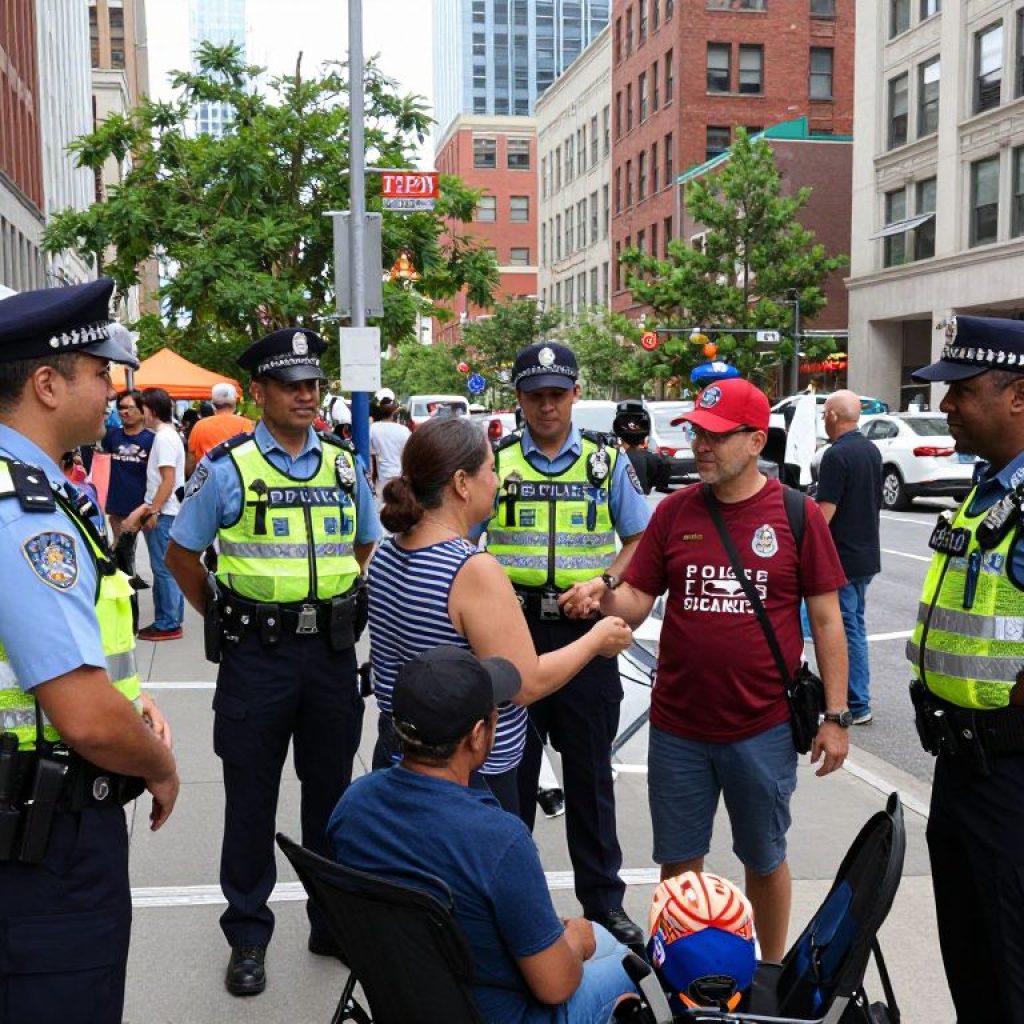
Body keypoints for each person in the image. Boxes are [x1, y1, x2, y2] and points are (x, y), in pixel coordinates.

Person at [562, 377, 850, 961]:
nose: (701, 445)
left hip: (762, 727)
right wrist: (602, 595)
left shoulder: (796, 515)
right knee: (679, 862)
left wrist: (837, 716)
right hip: (678, 728)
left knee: (763, 858)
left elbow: (826, 621)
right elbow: (638, 598)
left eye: (717, 435)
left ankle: (768, 971)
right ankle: (682, 973)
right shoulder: (675, 512)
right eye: (698, 431)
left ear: (755, 441)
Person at [164, 326, 381, 998]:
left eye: (313, 384)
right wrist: (234, 617)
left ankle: (329, 922)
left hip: (329, 657)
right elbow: (180, 555)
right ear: (259, 392)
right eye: (292, 385)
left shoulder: (344, 464)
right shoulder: (227, 467)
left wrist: (329, 604)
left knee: (332, 800)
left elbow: (364, 544)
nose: (306, 395)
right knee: (251, 802)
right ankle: (249, 936)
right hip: (257, 657)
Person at [0, 278, 178, 1021]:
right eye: (100, 373)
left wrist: (131, 698)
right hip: (45, 846)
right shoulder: (23, 510)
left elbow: (84, 665)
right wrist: (160, 765)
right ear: (47, 384)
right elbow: (84, 717)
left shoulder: (44, 488)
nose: (113, 392)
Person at [328, 646, 639, 1024]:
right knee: (624, 962)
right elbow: (555, 985)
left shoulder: (354, 805)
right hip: (500, 1014)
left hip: (403, 998)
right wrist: (578, 940)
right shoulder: (500, 841)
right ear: (478, 735)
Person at [369, 416, 633, 813]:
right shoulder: (472, 569)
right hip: (467, 771)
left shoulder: (388, 553)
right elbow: (525, 683)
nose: (497, 481)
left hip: (399, 752)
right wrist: (597, 639)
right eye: (491, 470)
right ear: (461, 483)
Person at [485, 341, 652, 949]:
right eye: (535, 396)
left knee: (589, 776)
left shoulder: (605, 464)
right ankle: (512, 905)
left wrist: (604, 582)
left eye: (558, 395)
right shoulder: (496, 461)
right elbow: (461, 537)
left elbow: (639, 538)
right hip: (514, 634)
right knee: (511, 779)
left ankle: (604, 904)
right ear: (520, 399)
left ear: (576, 395)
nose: (547, 407)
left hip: (585, 636)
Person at [905, 315, 1024, 1023]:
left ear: (1018, 396)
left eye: (961, 390)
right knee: (973, 969)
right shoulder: (987, 489)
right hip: (960, 767)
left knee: (1010, 975)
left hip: (1010, 776)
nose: (945, 405)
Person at [815, 390, 881, 724]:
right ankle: (858, 698)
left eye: (825, 413)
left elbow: (824, 513)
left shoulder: (835, 456)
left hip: (840, 557)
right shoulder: (870, 450)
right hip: (866, 554)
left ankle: (855, 702)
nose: (824, 419)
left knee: (843, 629)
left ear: (833, 417)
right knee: (855, 625)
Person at [121, 387, 186, 641]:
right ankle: (170, 619)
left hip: (164, 511)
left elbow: (167, 479)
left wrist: (153, 509)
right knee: (165, 568)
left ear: (152, 410)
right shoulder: (166, 436)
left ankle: (168, 622)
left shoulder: (164, 438)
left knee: (162, 569)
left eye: (142, 409)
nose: (139, 414)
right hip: (165, 510)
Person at [101, 388, 154, 541]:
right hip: (118, 505)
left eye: (129, 408)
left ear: (142, 410)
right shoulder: (111, 435)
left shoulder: (152, 439)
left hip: (145, 507)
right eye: (121, 408)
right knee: (122, 555)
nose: (125, 412)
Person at [185, 381, 254, 476]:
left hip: (208, 484)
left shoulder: (199, 426)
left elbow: (190, 464)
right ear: (234, 402)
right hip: (238, 484)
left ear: (213, 403)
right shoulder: (246, 424)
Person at [370, 389, 410, 495]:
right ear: (394, 410)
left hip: (381, 481)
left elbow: (371, 456)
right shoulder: (404, 431)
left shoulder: (373, 429)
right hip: (400, 480)